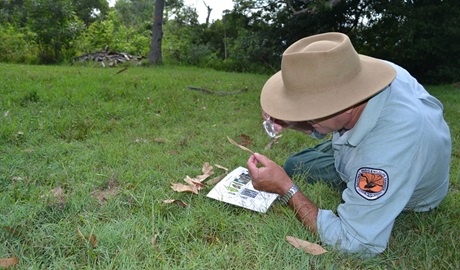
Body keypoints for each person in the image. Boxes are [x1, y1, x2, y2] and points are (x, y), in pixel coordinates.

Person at [246, 32, 451, 257]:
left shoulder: (385, 151)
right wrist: (291, 120)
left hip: (406, 179)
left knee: (291, 173)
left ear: (347, 104)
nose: (302, 117)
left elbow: (354, 242)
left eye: (308, 111)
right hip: (375, 142)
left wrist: (286, 188)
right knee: (296, 164)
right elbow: (328, 122)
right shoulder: (363, 76)